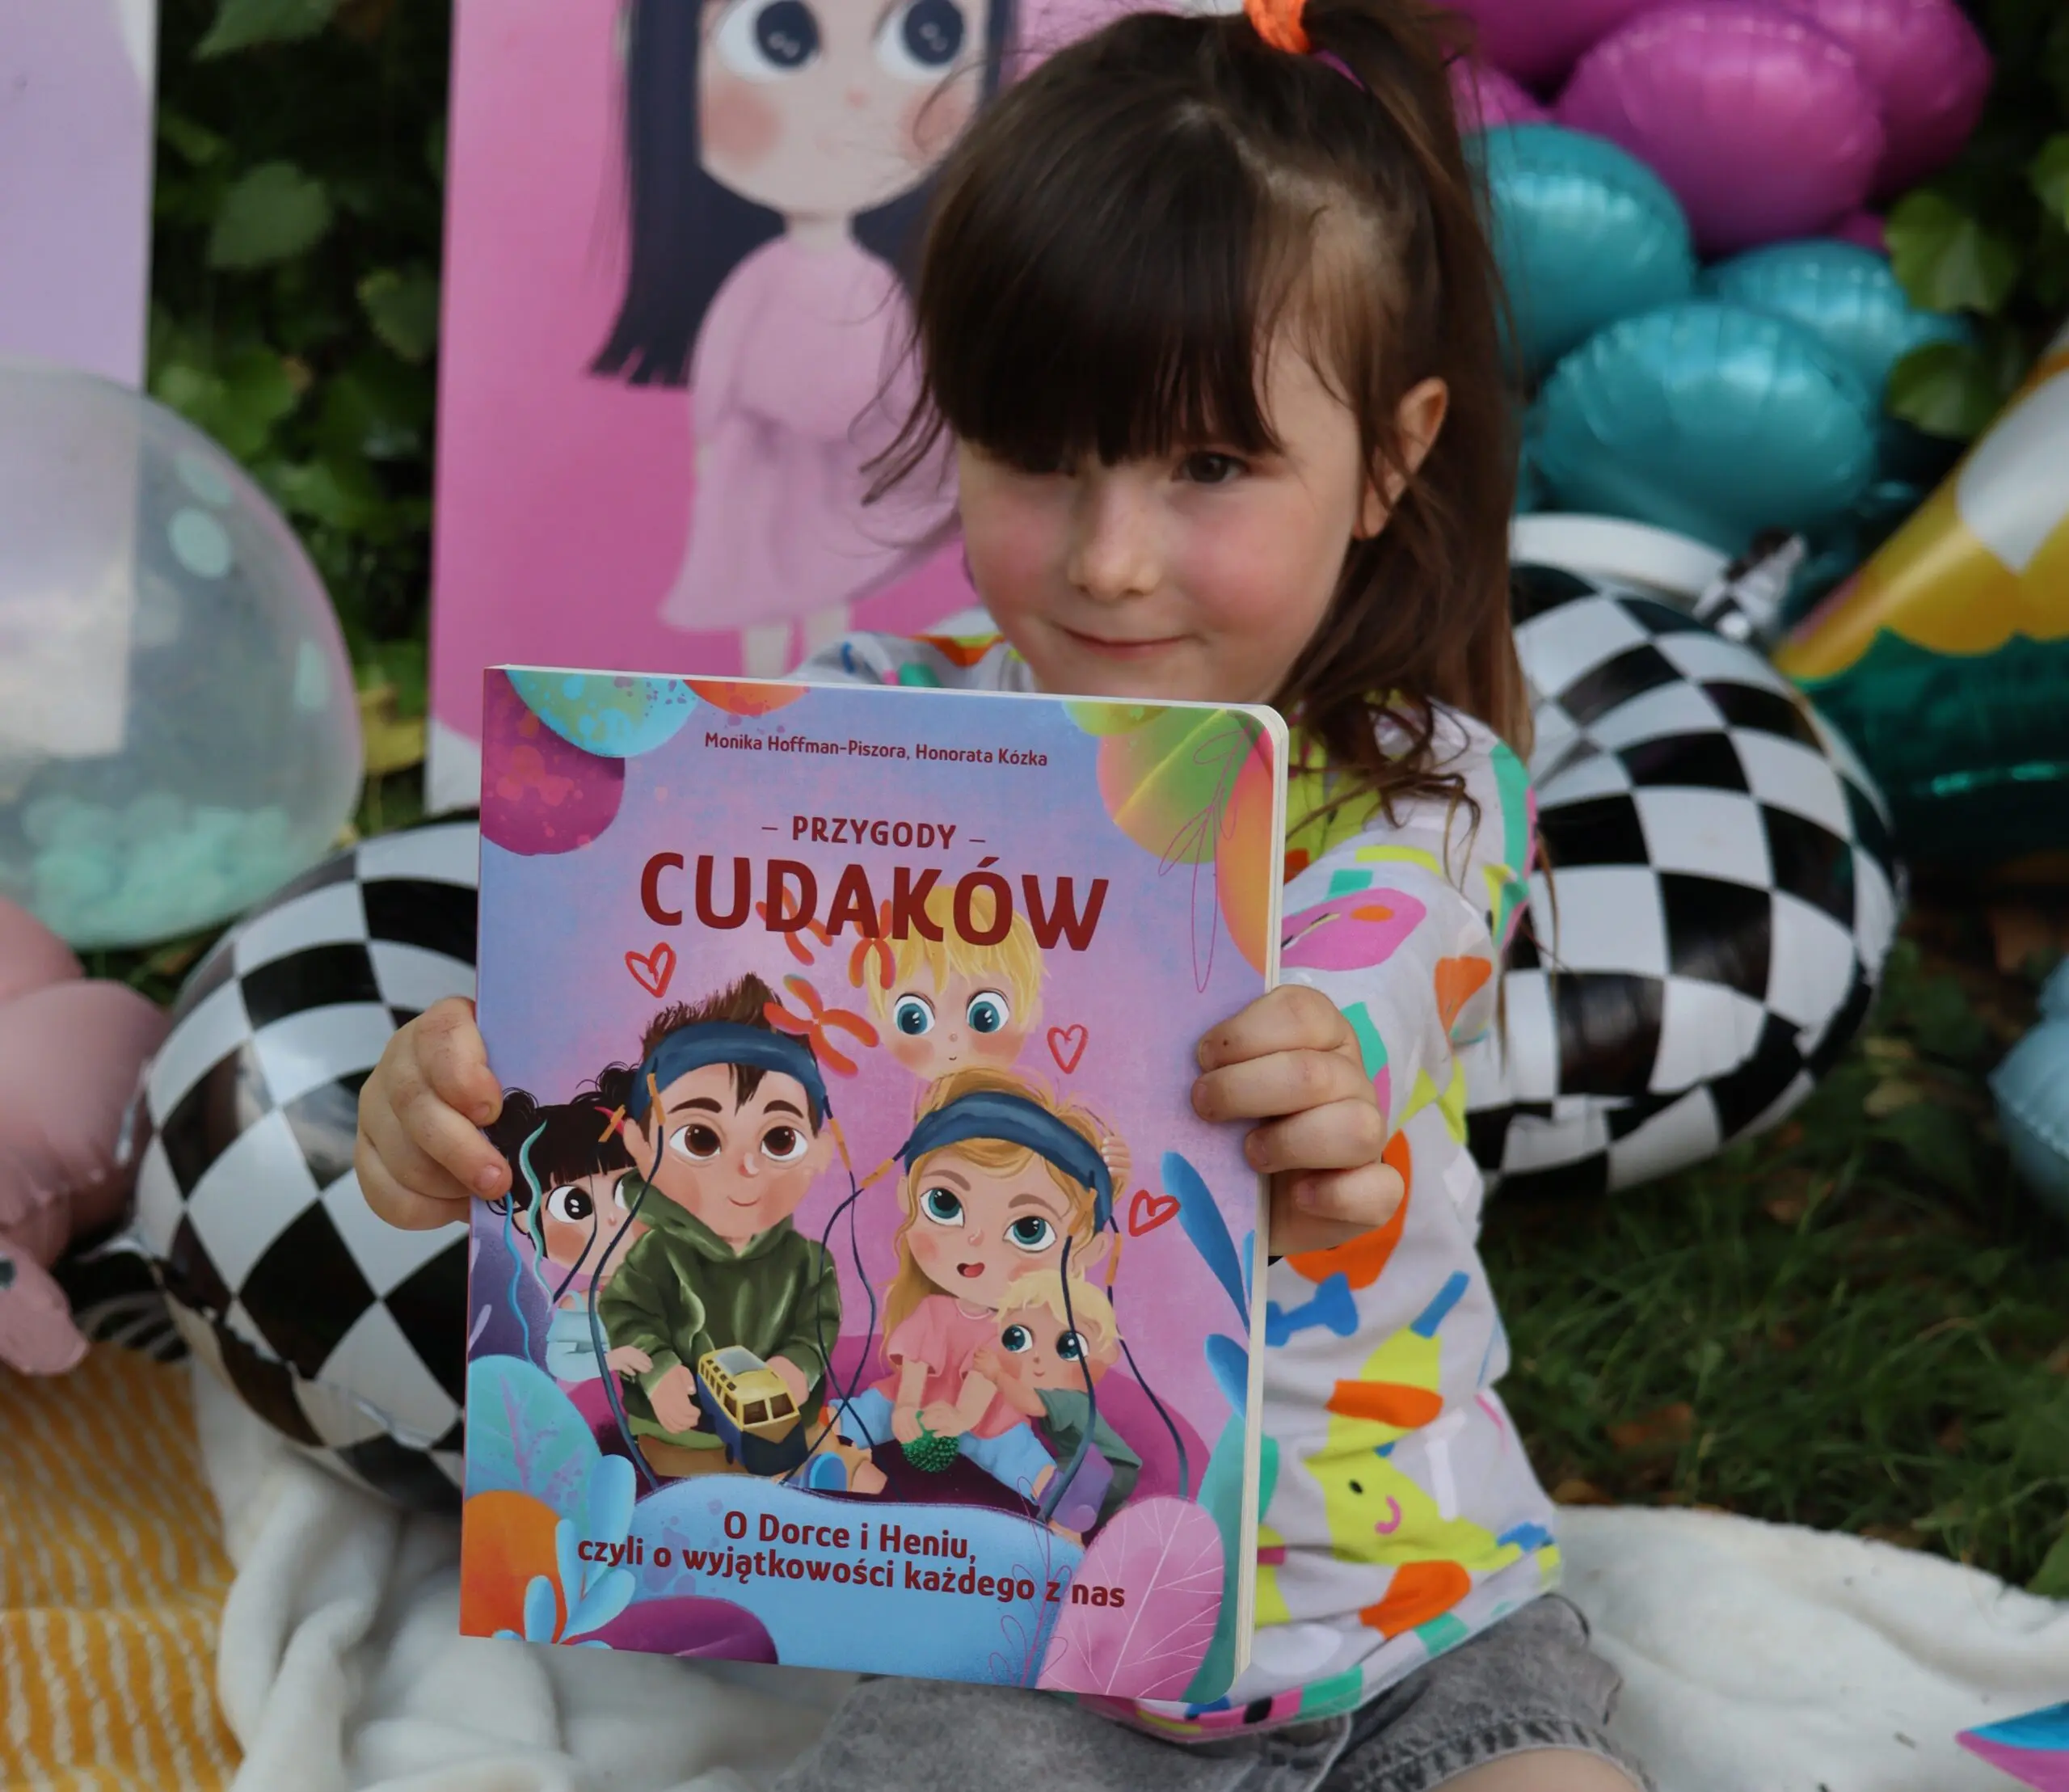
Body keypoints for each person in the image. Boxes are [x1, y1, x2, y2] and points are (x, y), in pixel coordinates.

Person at [355, 0, 1646, 1781]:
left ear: (1392, 457)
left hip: (1415, 1625)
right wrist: (468, 1104)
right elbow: (671, 1044)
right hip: (1021, 1633)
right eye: (1041, 455)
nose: (1110, 558)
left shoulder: (1426, 792)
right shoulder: (850, 740)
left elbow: (1366, 991)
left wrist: (1318, 1098)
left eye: (1209, 467)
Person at [598, 976, 842, 1479]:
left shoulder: (810, 1263)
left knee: (812, 1453)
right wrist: (661, 1374)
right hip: (680, 1431)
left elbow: (817, 1331)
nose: (746, 1167)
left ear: (820, 1153)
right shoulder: (656, 1256)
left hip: (780, 1427)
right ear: (639, 1145)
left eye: (779, 1140)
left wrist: (796, 1368)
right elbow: (629, 1318)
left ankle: (824, 1479)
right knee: (685, 1477)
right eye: (701, 1139)